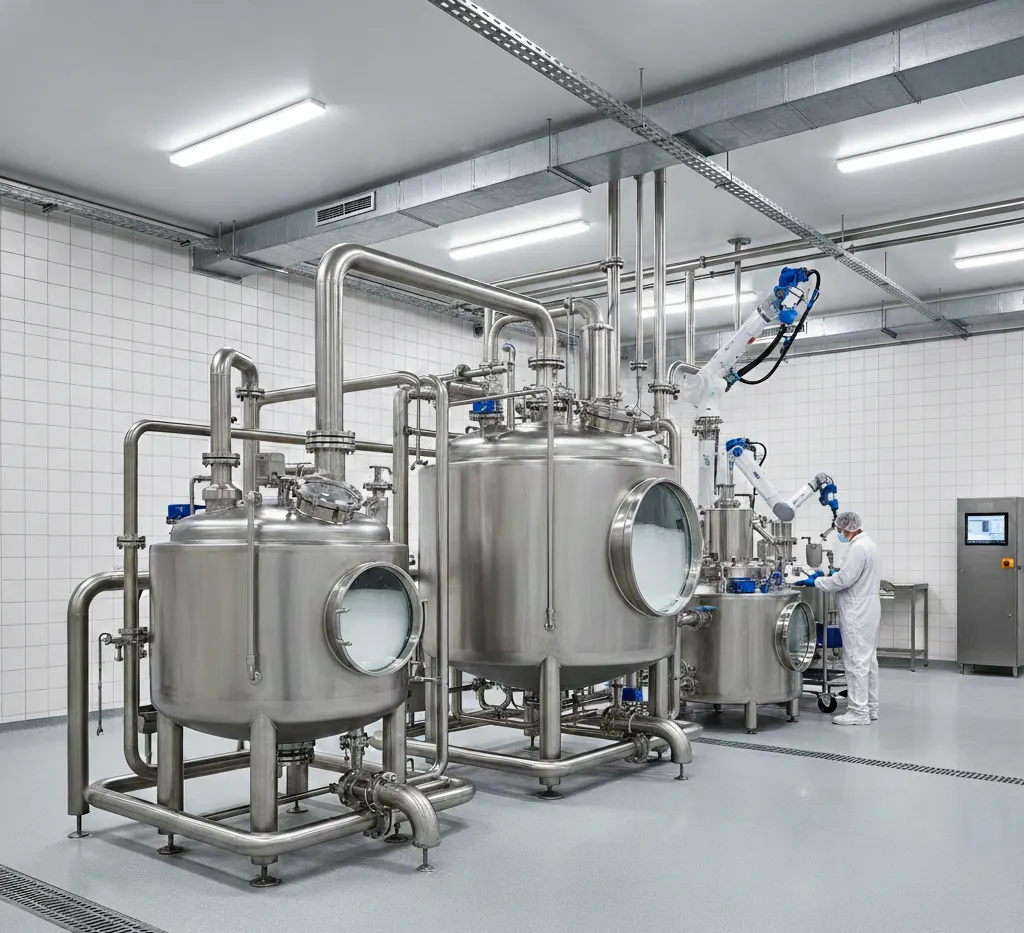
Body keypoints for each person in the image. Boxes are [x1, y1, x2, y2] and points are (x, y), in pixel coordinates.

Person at [798, 511, 882, 726]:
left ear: (848, 528)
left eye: (840, 530)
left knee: (856, 661)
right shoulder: (870, 545)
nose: (840, 533)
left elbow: (844, 580)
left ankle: (857, 712)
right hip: (869, 608)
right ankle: (871, 707)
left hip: (857, 610)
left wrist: (816, 582)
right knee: (868, 660)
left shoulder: (858, 548)